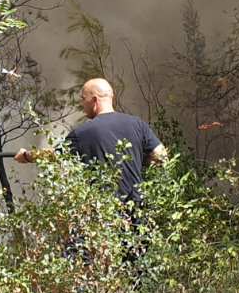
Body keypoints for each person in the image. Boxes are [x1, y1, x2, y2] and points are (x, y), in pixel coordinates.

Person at [15, 77, 168, 205]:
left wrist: (27, 156)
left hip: (104, 218)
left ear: (94, 100)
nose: (82, 104)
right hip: (137, 213)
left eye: (83, 99)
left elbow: (54, 156)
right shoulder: (137, 124)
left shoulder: (82, 133)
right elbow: (161, 156)